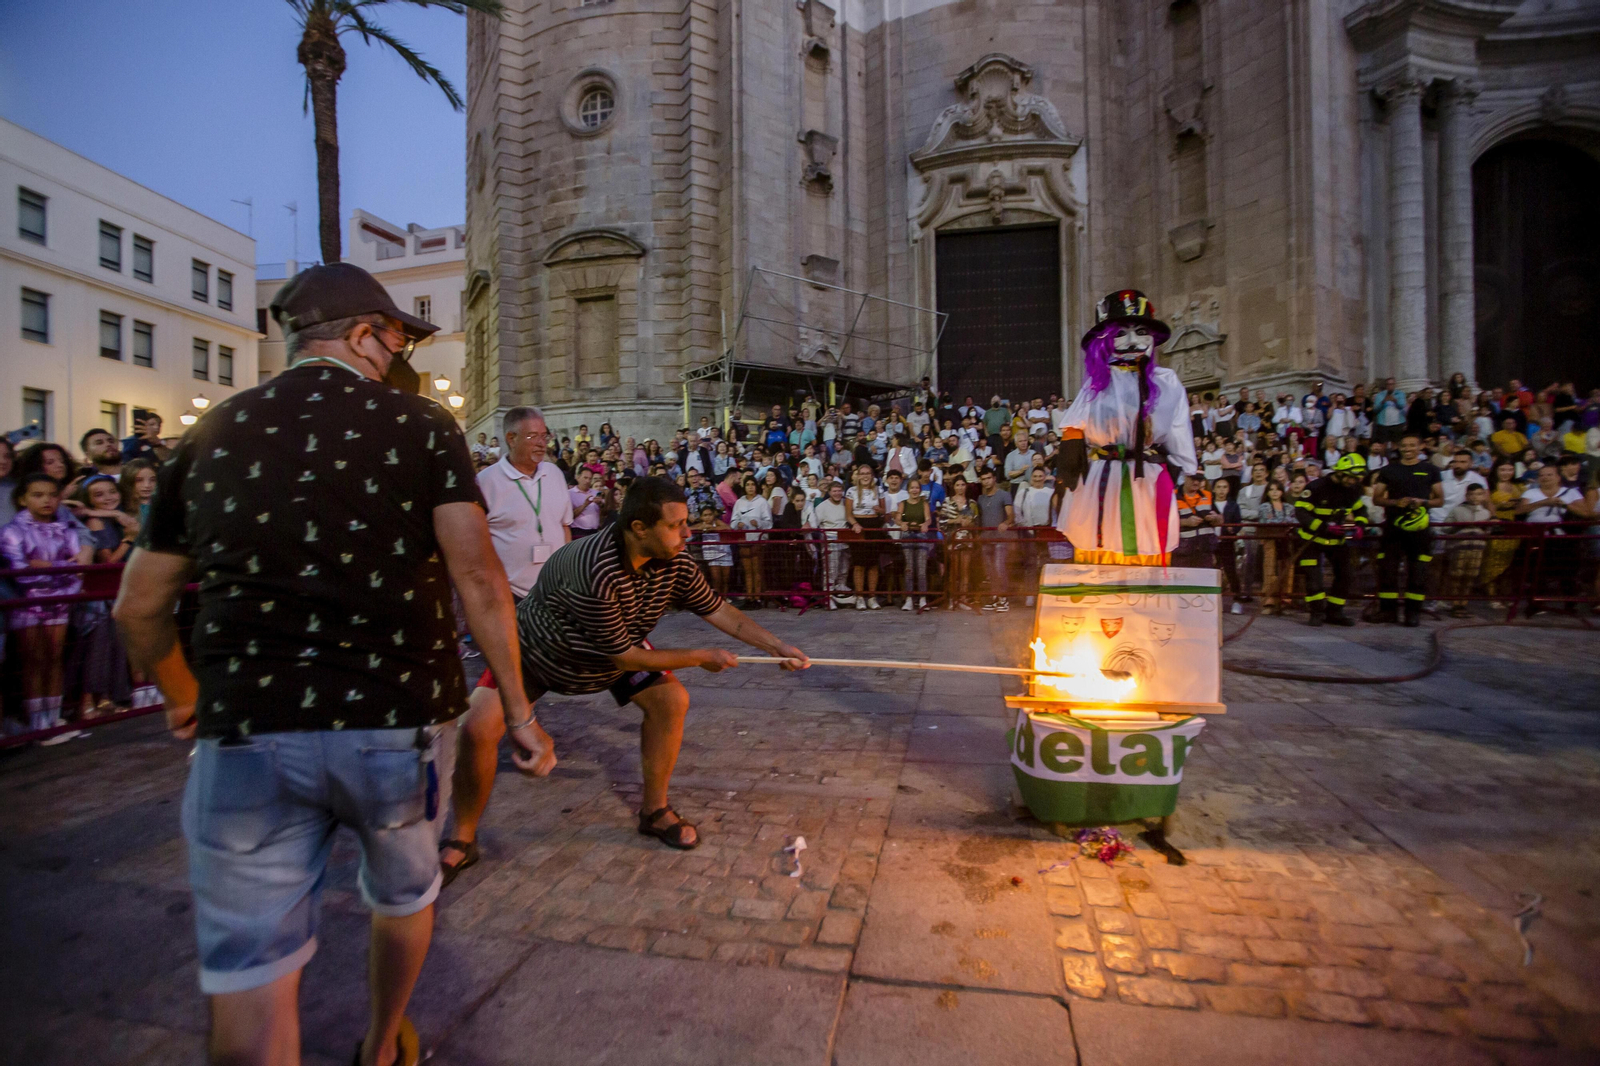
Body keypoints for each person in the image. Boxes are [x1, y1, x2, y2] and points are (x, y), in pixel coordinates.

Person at [112, 261, 537, 1066]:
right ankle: (382, 1044)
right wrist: (517, 711)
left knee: (251, 968)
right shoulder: (419, 427)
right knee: (403, 894)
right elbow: (478, 577)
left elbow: (138, 606)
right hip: (392, 720)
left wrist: (179, 697)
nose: (397, 355)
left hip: (247, 727)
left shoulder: (208, 434)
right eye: (394, 338)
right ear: (363, 335)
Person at [456, 477, 810, 856]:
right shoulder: (595, 567)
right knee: (477, 728)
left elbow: (717, 608)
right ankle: (460, 837)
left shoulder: (674, 560)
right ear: (639, 528)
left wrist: (776, 646)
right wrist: (701, 656)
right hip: (537, 651)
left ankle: (655, 811)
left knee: (670, 702)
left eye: (685, 522)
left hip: (613, 647)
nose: (687, 534)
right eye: (675, 526)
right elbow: (624, 656)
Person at [2, 474, 91, 738]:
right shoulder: (11, 531)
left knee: (54, 658)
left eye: (52, 495)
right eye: (37, 495)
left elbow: (79, 568)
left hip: (60, 600)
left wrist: (45, 566)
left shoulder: (67, 528)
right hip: (27, 603)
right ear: (22, 499)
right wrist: (60, 567)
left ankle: (53, 718)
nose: (46, 500)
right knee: (33, 660)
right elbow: (20, 572)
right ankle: (37, 723)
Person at [477, 407, 574, 603]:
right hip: (508, 595)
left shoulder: (554, 474)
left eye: (544, 436)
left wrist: (568, 574)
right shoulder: (486, 482)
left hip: (555, 591)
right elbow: (477, 543)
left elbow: (564, 526)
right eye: (532, 436)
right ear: (511, 439)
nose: (541, 444)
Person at [1371, 433, 1444, 625]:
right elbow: (1376, 498)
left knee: (1418, 572)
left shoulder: (1431, 470)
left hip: (1419, 531)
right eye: (1404, 445)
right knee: (1388, 571)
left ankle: (1413, 613)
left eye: (1412, 445)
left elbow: (1440, 500)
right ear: (1399, 447)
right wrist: (1396, 502)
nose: (1408, 449)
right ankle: (1388, 611)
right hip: (1393, 529)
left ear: (1420, 447)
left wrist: (1423, 502)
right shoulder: (1388, 470)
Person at [1294, 453, 1371, 626]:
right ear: (1340, 472)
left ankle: (1335, 612)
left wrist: (1360, 525)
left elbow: (1361, 511)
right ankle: (1316, 612)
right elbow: (1300, 512)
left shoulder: (1352, 490)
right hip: (1311, 540)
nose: (1354, 481)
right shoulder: (1316, 487)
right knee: (1314, 580)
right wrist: (1324, 527)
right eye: (1351, 477)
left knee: (1345, 576)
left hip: (1337, 541)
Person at [1443, 484, 1492, 617]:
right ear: (1466, 496)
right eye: (1471, 494)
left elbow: (1488, 532)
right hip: (1460, 547)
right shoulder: (1458, 510)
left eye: (1478, 494)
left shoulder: (1486, 513)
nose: (1475, 497)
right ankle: (1454, 604)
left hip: (1477, 548)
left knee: (1470, 576)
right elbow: (1445, 528)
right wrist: (1459, 526)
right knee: (1456, 575)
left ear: (1483, 496)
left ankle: (1463, 604)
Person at [845, 462, 886, 610]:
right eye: (862, 474)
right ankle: (860, 596)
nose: (865, 476)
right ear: (858, 476)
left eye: (867, 474)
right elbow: (848, 514)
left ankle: (872, 596)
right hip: (858, 528)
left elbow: (883, 511)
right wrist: (855, 524)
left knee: (873, 563)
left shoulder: (879, 490)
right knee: (859, 564)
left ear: (872, 476)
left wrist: (879, 510)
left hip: (874, 526)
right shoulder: (851, 491)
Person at [806, 479, 852, 608]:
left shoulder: (845, 503)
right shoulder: (822, 507)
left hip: (845, 540)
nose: (837, 493)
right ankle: (828, 596)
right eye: (834, 491)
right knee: (831, 570)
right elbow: (815, 523)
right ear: (830, 492)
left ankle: (840, 594)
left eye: (839, 491)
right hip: (830, 541)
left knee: (844, 569)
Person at [974, 467, 1015, 611]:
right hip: (986, 538)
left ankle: (1003, 599)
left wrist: (1005, 523)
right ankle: (995, 597)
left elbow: (1011, 514)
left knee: (999, 568)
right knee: (989, 570)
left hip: (1000, 539)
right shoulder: (981, 498)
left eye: (988, 478)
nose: (986, 481)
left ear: (994, 478)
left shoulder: (1004, 495)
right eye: (983, 479)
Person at [730, 474, 773, 608]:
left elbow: (769, 522)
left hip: (757, 539)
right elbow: (733, 521)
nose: (750, 487)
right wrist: (738, 524)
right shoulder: (739, 502)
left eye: (752, 484)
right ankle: (749, 597)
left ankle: (757, 597)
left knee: (757, 569)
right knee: (747, 570)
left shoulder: (762, 502)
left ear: (756, 486)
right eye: (747, 485)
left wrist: (758, 523)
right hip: (744, 539)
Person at [939, 475, 979, 610]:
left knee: (965, 571)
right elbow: (942, 522)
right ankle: (952, 598)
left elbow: (977, 522)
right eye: (958, 485)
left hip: (967, 539)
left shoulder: (972, 503)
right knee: (953, 571)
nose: (960, 488)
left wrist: (969, 523)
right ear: (953, 487)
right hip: (952, 539)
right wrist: (956, 520)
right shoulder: (947, 501)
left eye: (962, 485)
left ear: (966, 486)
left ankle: (963, 598)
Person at [895, 476, 933, 611]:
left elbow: (928, 519)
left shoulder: (924, 504)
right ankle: (909, 598)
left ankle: (923, 598)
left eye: (917, 487)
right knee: (909, 568)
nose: (915, 490)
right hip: (907, 536)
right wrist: (902, 524)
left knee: (921, 569)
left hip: (921, 536)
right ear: (908, 489)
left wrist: (925, 524)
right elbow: (898, 518)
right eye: (912, 488)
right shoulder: (903, 504)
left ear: (920, 489)